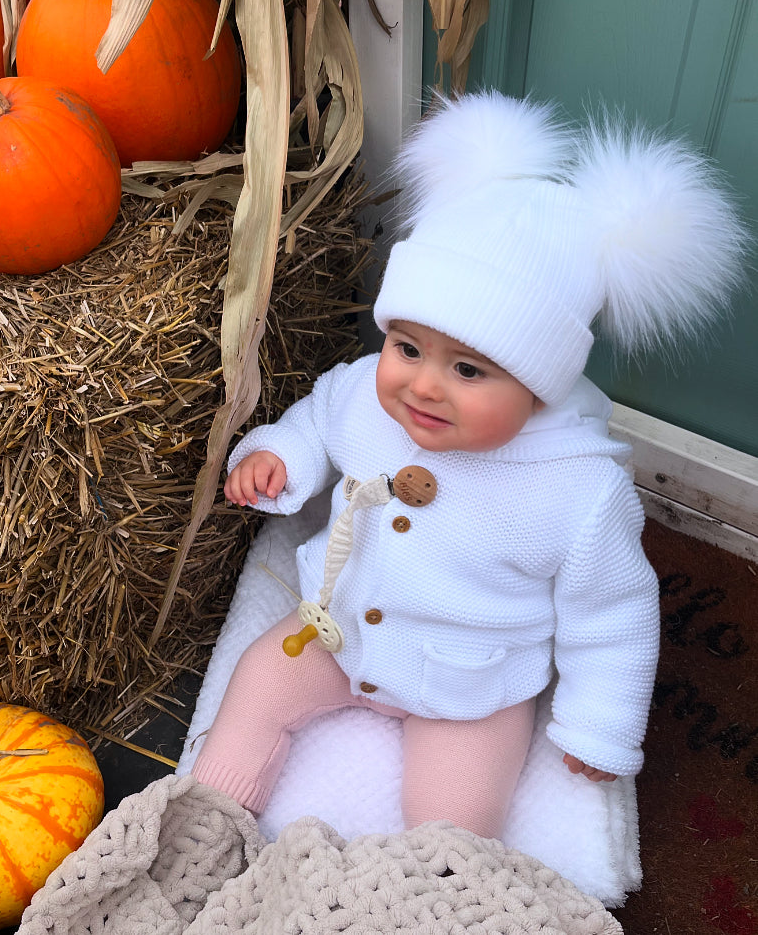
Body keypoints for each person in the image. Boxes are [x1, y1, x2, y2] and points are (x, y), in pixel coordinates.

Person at [191, 91, 749, 839]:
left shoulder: (577, 489)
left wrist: (601, 724)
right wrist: (276, 456)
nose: (422, 384)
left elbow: (612, 613)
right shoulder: (364, 393)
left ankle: (434, 884)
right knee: (257, 684)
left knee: (455, 815)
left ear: (539, 385)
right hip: (335, 634)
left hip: (471, 682)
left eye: (469, 370)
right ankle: (210, 818)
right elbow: (320, 419)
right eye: (408, 347)